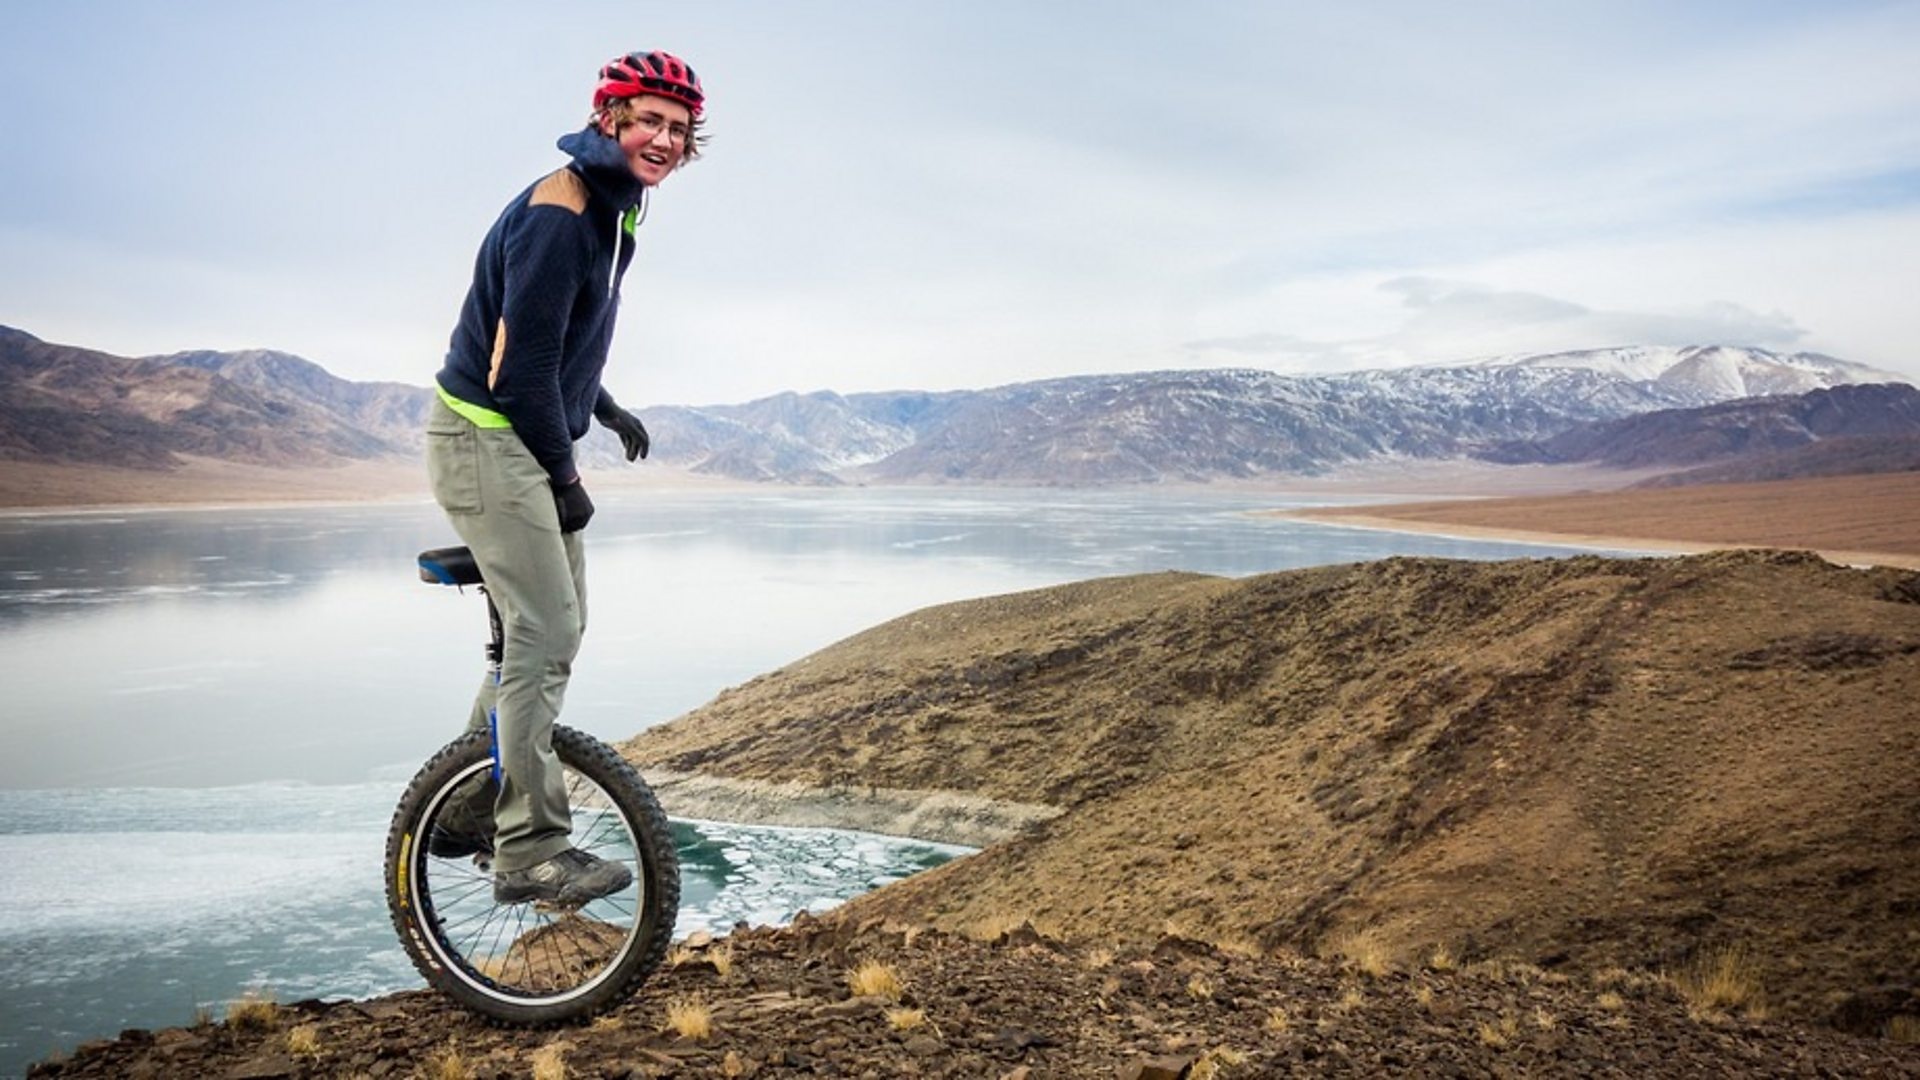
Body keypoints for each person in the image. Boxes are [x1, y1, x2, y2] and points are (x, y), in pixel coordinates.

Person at [424, 50, 706, 906]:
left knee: (552, 631)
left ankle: (466, 805)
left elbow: (557, 336)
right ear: (610, 116)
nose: (662, 138)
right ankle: (528, 851)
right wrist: (564, 473)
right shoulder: (563, 213)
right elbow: (517, 370)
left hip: (523, 434)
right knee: (543, 634)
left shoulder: (616, 208)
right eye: (647, 119)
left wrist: (605, 405)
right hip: (488, 438)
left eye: (678, 129)